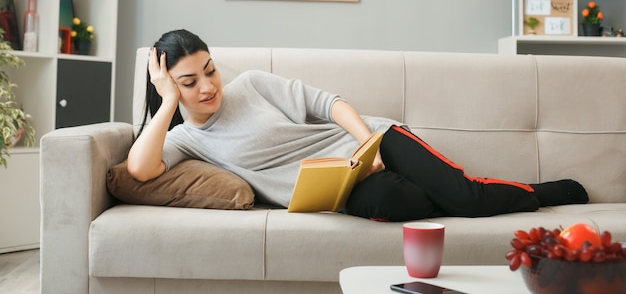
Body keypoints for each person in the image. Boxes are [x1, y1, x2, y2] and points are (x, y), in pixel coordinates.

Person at [128, 29, 589, 222]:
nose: (209, 85)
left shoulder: (250, 84)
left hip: (376, 143)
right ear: (169, 84)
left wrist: (367, 144)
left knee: (468, 201)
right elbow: (141, 170)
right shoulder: (186, 138)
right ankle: (443, 189)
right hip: (343, 190)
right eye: (190, 81)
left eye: (210, 69)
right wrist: (169, 101)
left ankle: (546, 193)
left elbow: (328, 104)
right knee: (394, 201)